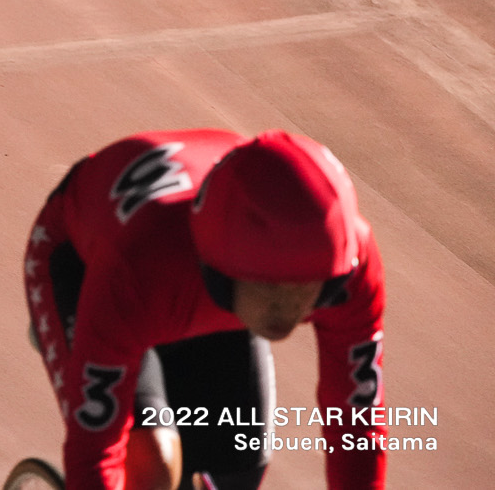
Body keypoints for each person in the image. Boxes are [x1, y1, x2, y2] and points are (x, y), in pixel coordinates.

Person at [23, 130, 387, 490]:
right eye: (270, 287)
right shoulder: (137, 267)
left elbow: (356, 425)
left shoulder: (351, 263)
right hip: (86, 265)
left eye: (307, 287)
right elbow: (94, 452)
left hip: (191, 286)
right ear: (222, 267)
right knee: (153, 468)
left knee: (238, 468)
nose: (286, 308)